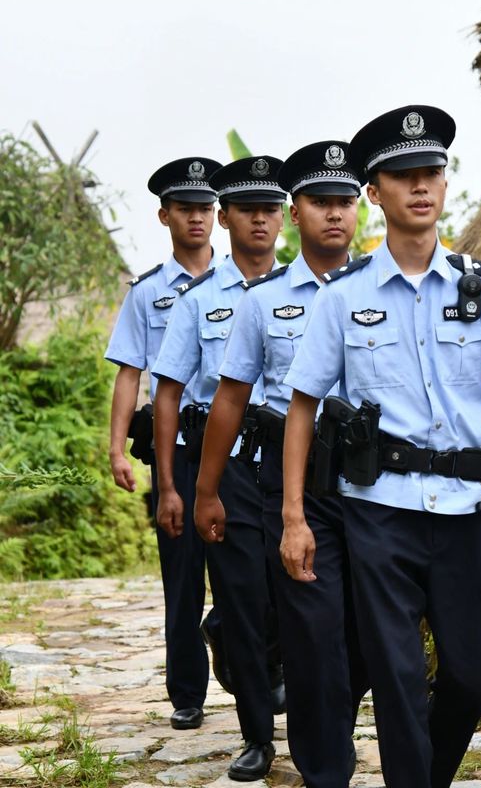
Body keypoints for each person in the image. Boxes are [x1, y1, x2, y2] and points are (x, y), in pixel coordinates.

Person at [280, 105, 481, 788]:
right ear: (374, 193)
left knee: (474, 681)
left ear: (444, 185)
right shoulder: (344, 296)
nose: (420, 186)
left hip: (464, 511)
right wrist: (295, 517)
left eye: (431, 173)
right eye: (402, 175)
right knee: (398, 681)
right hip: (377, 512)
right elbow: (302, 405)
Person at [194, 141, 368, 788]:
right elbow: (230, 400)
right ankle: (319, 761)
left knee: (364, 634)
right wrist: (208, 489)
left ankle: (330, 721)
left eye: (344, 202)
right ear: (297, 213)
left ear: (359, 210)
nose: (334, 215)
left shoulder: (385, 288)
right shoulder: (262, 302)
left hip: (370, 483)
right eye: (320, 202)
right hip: (286, 480)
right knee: (308, 628)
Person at [151, 156, 287, 781]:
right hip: (226, 466)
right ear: (226, 216)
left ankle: (304, 706)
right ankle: (258, 736)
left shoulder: (311, 293)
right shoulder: (197, 302)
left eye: (271, 208)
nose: (261, 219)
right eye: (247, 209)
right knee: (241, 594)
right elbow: (170, 392)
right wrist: (173, 484)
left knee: (296, 599)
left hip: (295, 466)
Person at [104, 157, 224, 730]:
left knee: (244, 566)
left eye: (205, 208)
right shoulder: (148, 293)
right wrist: (114, 448)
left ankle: (236, 645)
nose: (197, 218)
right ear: (165, 215)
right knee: (181, 573)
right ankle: (187, 695)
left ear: (216, 215)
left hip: (238, 448)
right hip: (175, 448)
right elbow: (130, 371)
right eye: (186, 209)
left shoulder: (246, 284)